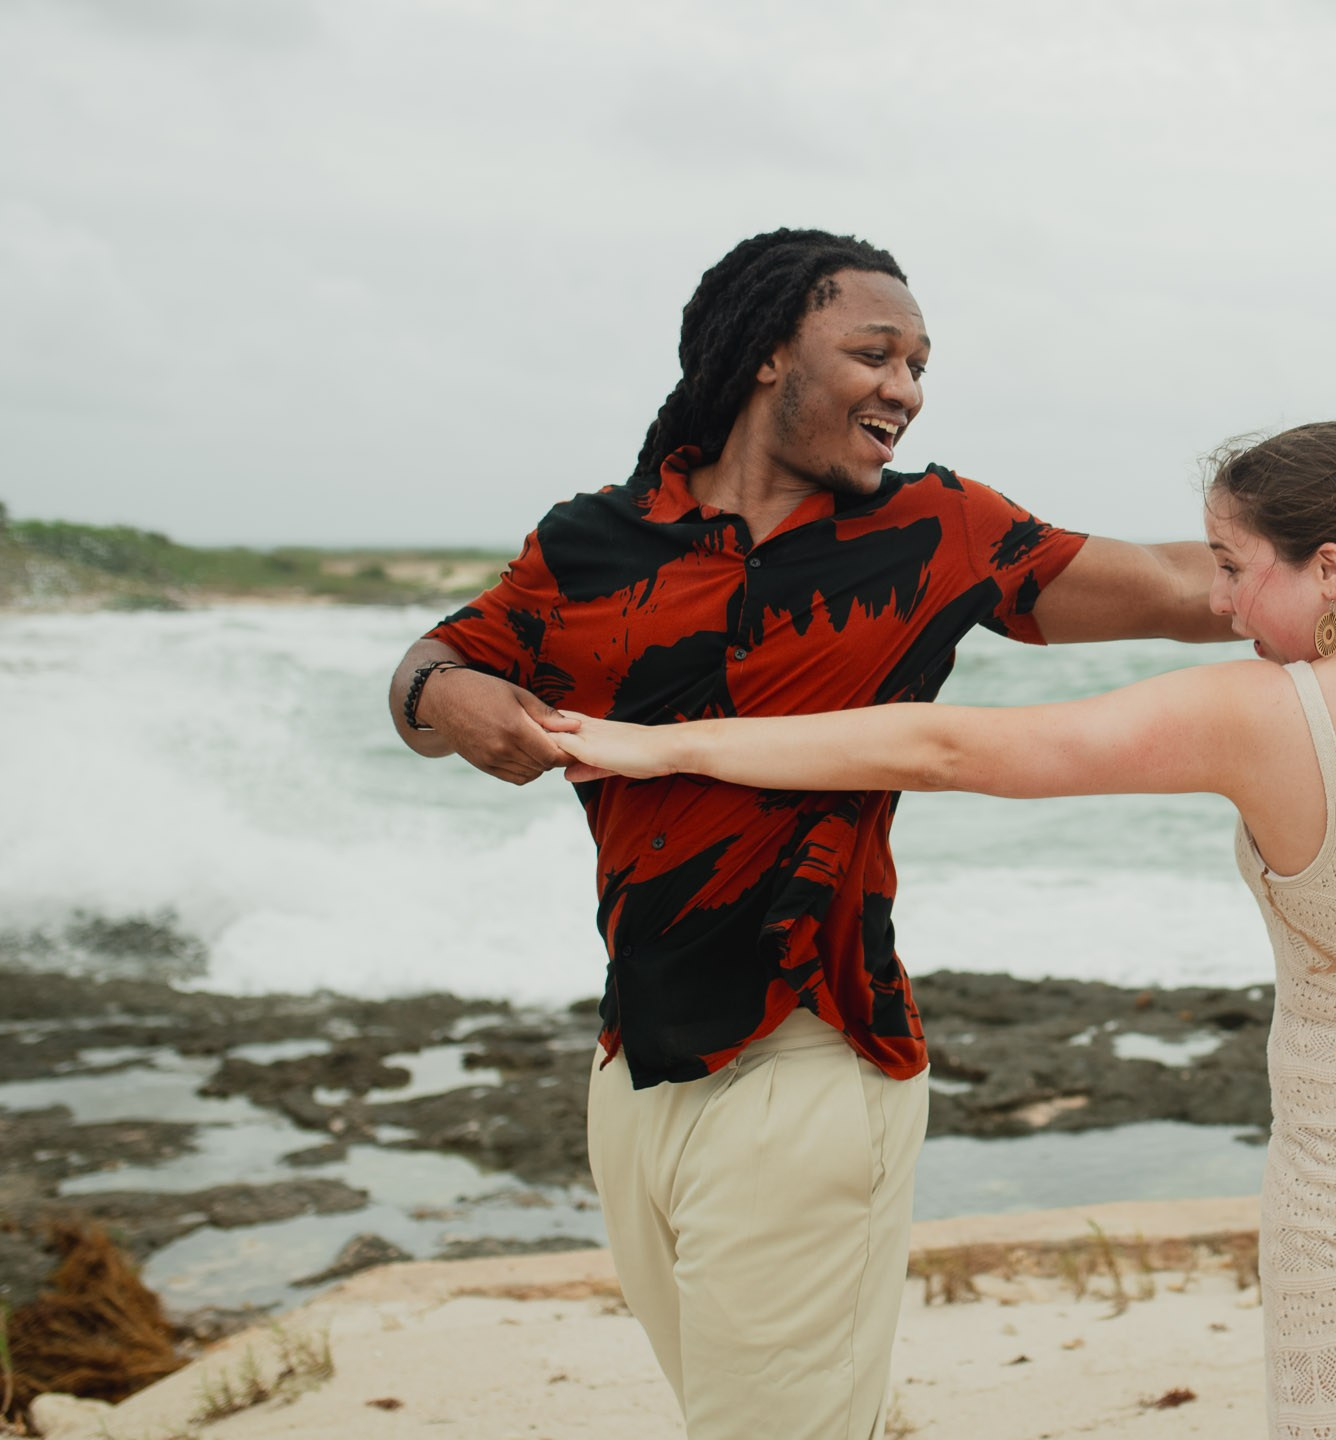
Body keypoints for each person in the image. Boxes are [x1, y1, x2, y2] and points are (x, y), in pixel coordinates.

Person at [550, 419, 1336, 1439]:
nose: (1215, 600)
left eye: (1231, 565)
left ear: (1326, 570)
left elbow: (948, 748)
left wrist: (666, 745)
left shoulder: (1263, 716)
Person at [385, 228, 1279, 1439]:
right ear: (766, 355)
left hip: (808, 1049)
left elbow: (1188, 589)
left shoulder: (938, 533)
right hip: (630, 1065)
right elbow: (435, 660)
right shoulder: (587, 545)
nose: (904, 390)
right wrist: (443, 699)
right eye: (876, 354)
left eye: (919, 366)